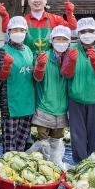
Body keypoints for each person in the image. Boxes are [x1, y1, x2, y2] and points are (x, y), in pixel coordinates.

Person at [62, 17, 95, 163]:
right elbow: (66, 74)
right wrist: (71, 61)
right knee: (77, 136)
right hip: (75, 99)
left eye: (90, 31)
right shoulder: (71, 49)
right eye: (83, 31)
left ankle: (93, 163)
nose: (87, 34)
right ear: (78, 34)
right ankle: (80, 164)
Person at [28, 25, 71, 167]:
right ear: (52, 40)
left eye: (64, 39)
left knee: (57, 139)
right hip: (44, 107)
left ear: (69, 41)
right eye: (58, 39)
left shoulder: (71, 58)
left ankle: (55, 163)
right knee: (43, 140)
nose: (61, 42)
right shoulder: (44, 56)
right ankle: (42, 165)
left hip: (62, 108)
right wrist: (40, 67)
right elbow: (37, 78)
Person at [0, 0, 76, 55]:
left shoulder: (56, 20)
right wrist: (5, 18)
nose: (36, 0)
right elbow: (7, 38)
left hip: (50, 64)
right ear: (28, 1)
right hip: (28, 65)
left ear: (46, 0)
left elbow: (73, 33)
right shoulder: (22, 22)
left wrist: (70, 15)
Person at [0, 16, 37, 153]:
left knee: (21, 140)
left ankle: (18, 164)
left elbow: (33, 75)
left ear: (26, 32)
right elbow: (1, 77)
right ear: (9, 32)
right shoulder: (4, 51)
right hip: (11, 102)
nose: (18, 33)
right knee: (10, 142)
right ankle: (7, 166)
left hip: (27, 101)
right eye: (15, 30)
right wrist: (6, 67)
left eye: (22, 30)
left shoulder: (28, 50)